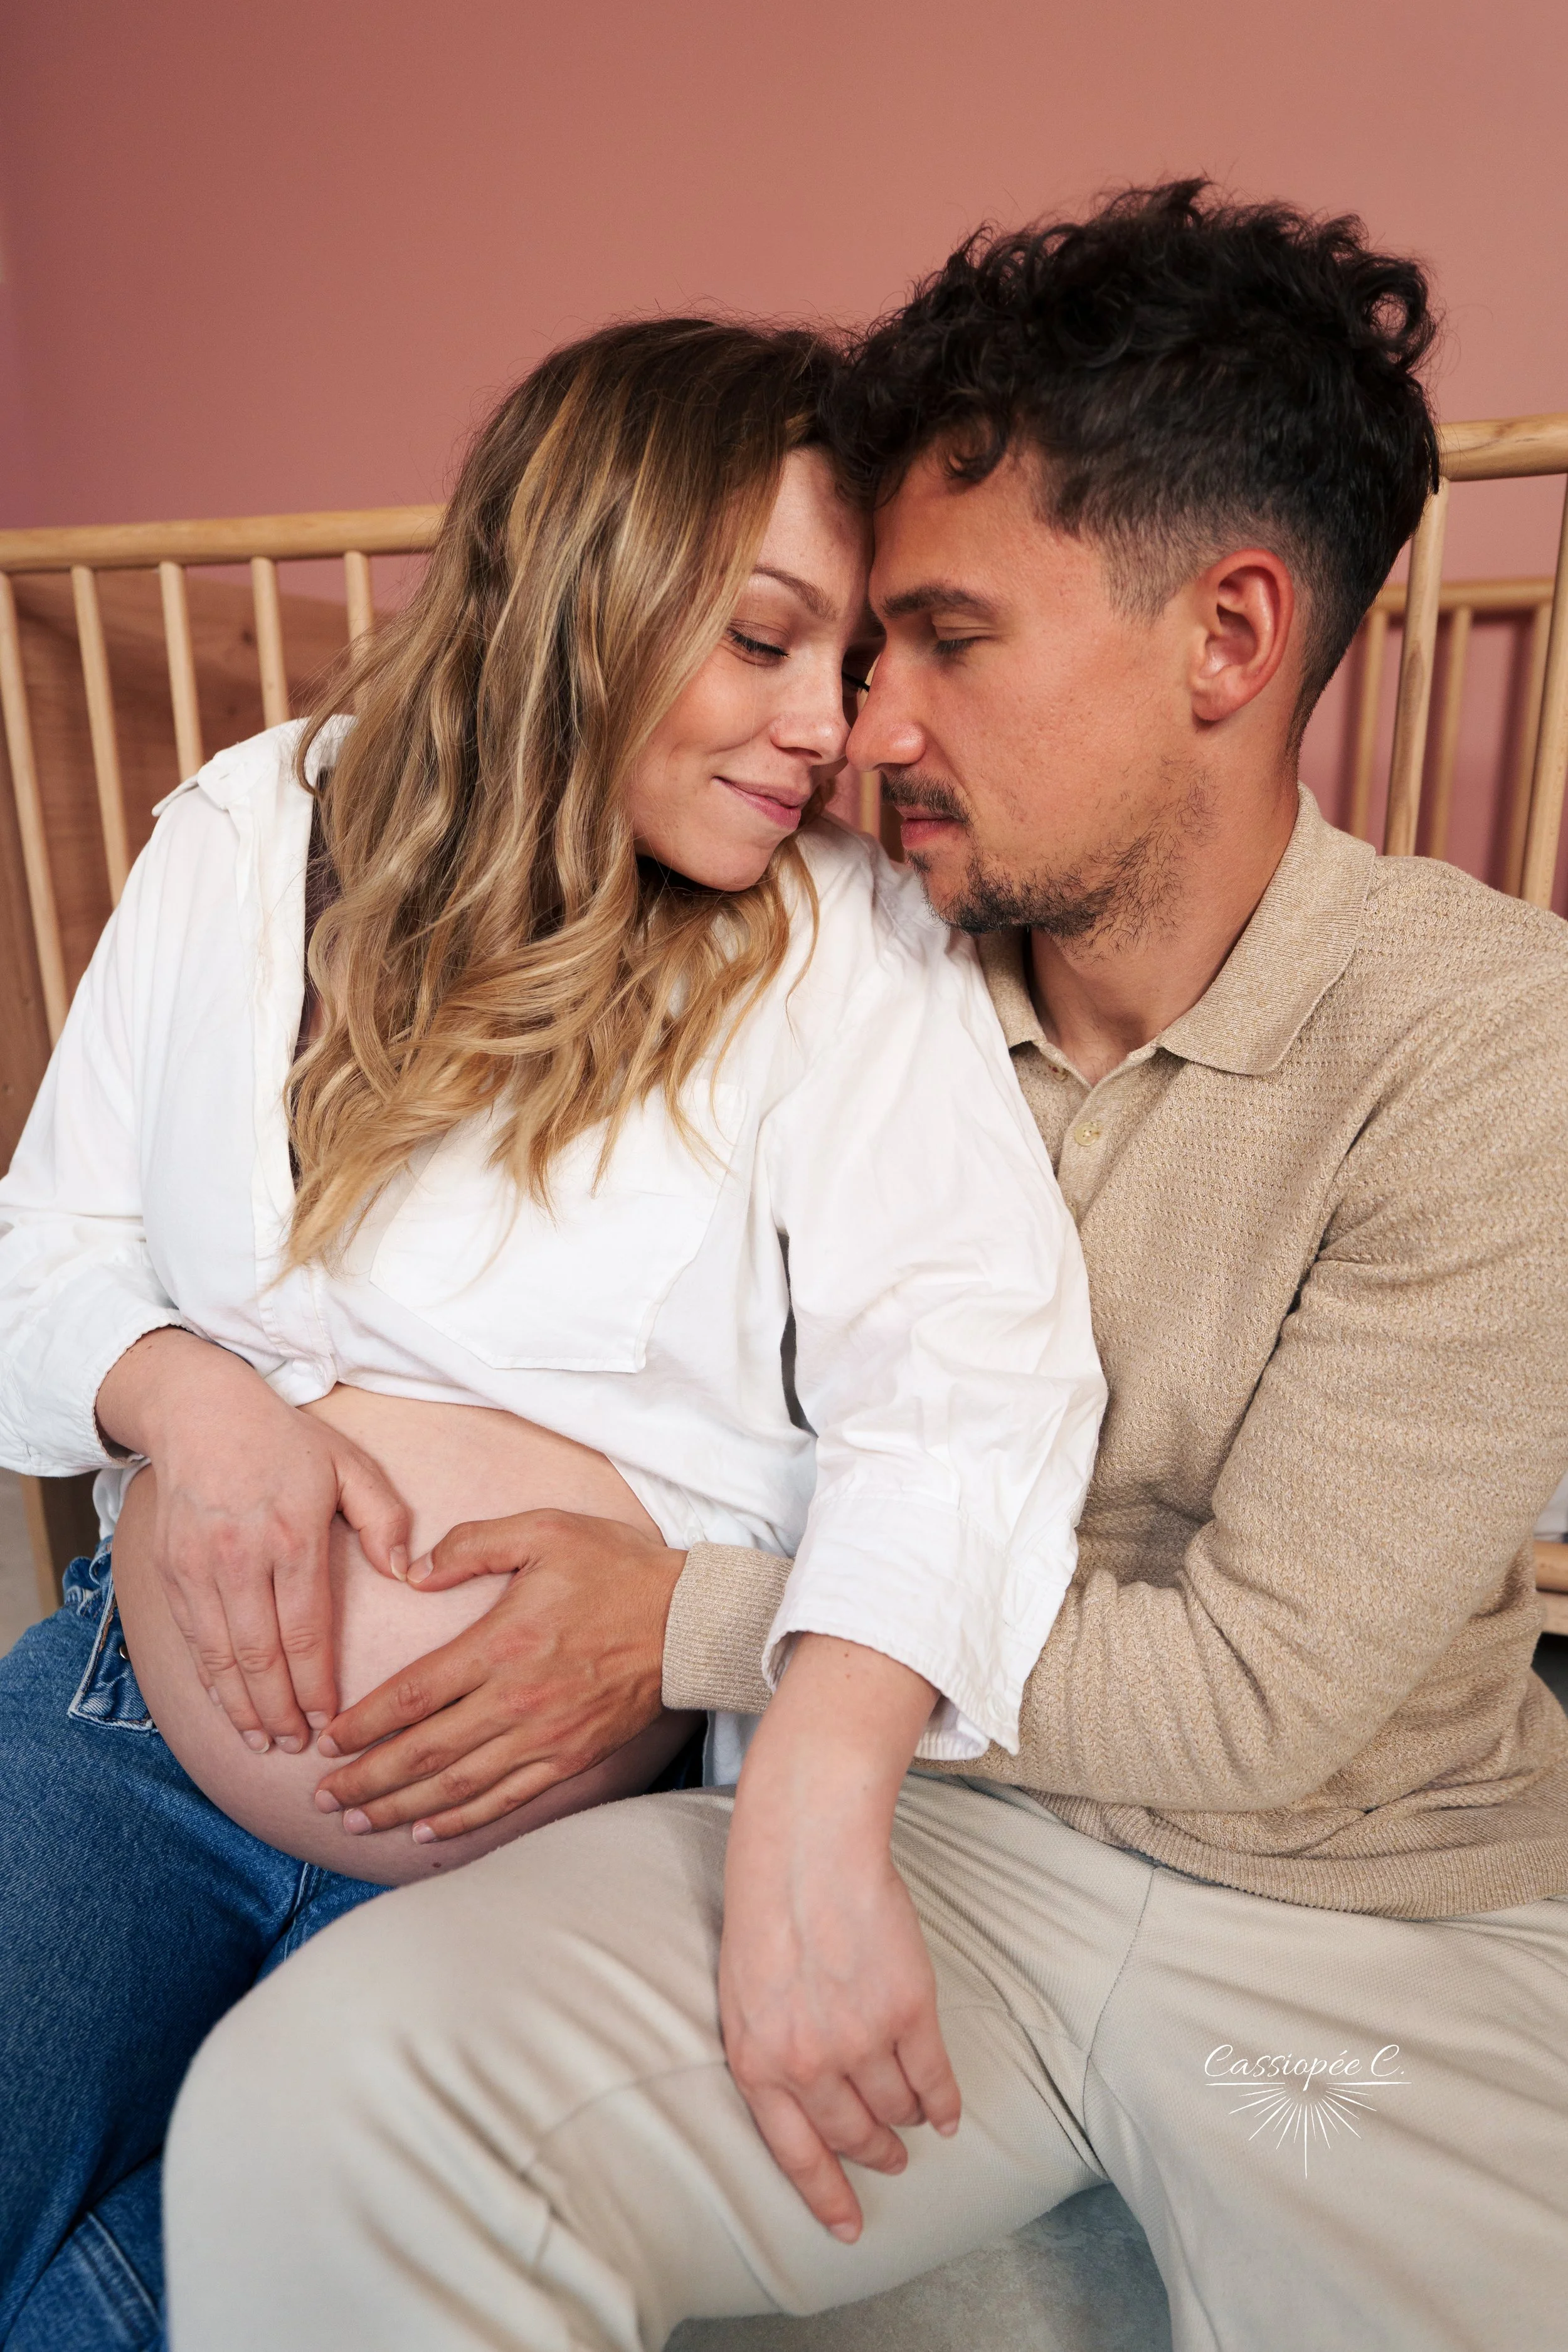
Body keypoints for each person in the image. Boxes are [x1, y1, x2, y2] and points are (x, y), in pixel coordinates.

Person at [165, 183, 1568, 2351]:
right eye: (839, 643)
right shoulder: (828, 945)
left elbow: (1262, 1700)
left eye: (943, 638)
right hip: (933, 1828)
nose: (857, 725)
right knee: (319, 2107)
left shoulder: (1489, 1043)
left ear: (1228, 635)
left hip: (1356, 1915)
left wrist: (685, 1621)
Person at [0, 318, 1107, 2345]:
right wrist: (193, 1400)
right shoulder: (253, 835)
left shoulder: (839, 941)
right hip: (127, 1724)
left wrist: (807, 1796)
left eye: (843, 661)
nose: (825, 730)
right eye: (760, 640)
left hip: (533, 1843)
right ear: (585, 587)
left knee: (120, 2305)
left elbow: (964, 1388)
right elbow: (41, 1243)